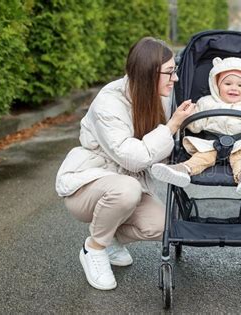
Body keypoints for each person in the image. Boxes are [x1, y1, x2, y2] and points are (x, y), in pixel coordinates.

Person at [55, 37, 196, 291]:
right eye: (169, 72)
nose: (174, 79)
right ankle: (94, 248)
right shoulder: (108, 103)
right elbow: (133, 157)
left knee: (164, 226)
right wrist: (172, 125)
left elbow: (156, 153)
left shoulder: (159, 97)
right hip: (88, 186)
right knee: (127, 189)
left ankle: (108, 238)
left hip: (127, 186)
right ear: (147, 74)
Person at [151, 57, 241, 199]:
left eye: (240, 85)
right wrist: (190, 115)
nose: (233, 88)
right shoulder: (206, 102)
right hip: (210, 144)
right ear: (217, 84)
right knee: (200, 157)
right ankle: (183, 170)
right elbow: (194, 127)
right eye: (227, 83)